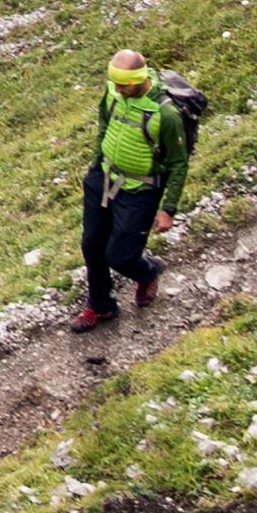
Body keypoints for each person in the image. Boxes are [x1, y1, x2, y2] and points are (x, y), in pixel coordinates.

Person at [76, 48, 206, 329]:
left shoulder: (166, 114)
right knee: (92, 245)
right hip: (103, 178)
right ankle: (101, 307)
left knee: (120, 256)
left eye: (125, 85)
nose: (119, 89)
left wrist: (168, 209)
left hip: (140, 191)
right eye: (116, 83)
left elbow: (178, 164)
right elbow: (104, 124)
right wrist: (95, 164)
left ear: (139, 79)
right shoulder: (114, 92)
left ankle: (148, 272)